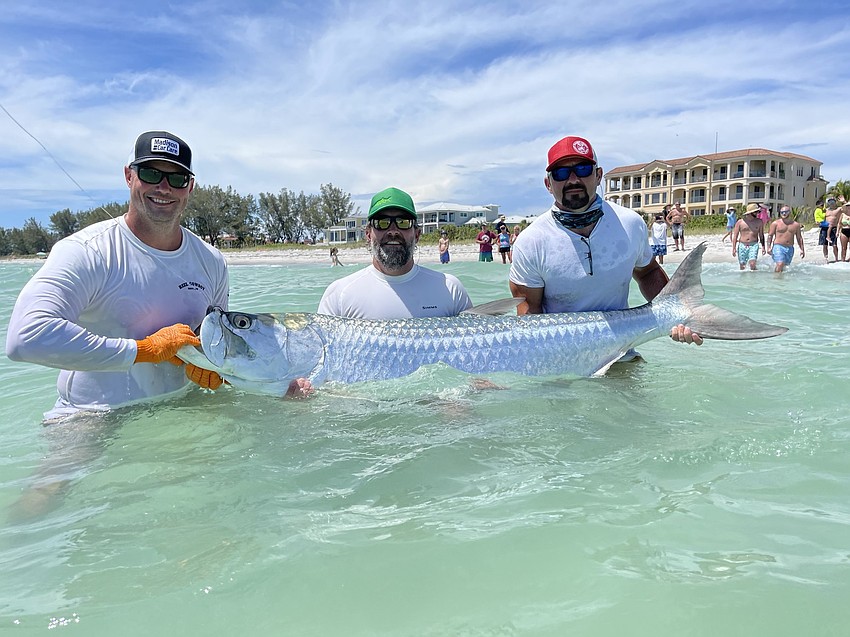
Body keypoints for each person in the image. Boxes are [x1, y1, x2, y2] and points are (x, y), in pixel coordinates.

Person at [5, 130, 229, 421]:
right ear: (128, 176)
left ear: (190, 187)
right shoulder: (85, 251)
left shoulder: (212, 261)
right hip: (89, 416)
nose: (164, 187)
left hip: (183, 408)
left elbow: (222, 341)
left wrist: (215, 366)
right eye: (151, 173)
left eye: (177, 178)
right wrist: (144, 350)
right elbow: (26, 337)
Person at [508, 134, 701, 349]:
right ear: (548, 184)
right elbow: (528, 312)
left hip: (622, 352)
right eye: (561, 173)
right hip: (559, 356)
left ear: (599, 175)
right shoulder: (530, 241)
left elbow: (648, 272)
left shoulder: (630, 223)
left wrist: (677, 315)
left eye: (582, 169)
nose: (573, 180)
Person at [319, 187, 472, 318]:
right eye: (382, 222)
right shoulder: (339, 295)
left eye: (403, 222)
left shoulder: (451, 289)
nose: (393, 231)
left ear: (417, 234)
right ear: (368, 234)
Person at [766, 206, 805, 272]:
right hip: (778, 246)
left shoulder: (796, 225)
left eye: (785, 212)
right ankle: (776, 280)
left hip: (790, 248)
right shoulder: (775, 223)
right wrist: (768, 247)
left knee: (785, 267)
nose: (784, 214)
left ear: (789, 212)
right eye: (782, 212)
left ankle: (781, 280)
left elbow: (799, 238)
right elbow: (770, 235)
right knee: (780, 264)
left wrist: (802, 249)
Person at [731, 203, 766, 270]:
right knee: (742, 266)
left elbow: (761, 235)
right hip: (742, 245)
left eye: (758, 212)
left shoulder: (759, 222)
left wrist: (763, 247)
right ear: (750, 213)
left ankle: (754, 278)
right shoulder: (740, 222)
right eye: (756, 212)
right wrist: (734, 248)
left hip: (754, 245)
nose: (757, 213)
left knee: (752, 264)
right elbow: (735, 236)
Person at [822, 196, 843, 263]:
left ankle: (836, 258)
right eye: (830, 201)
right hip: (825, 228)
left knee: (834, 245)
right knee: (824, 244)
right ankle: (826, 258)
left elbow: (847, 208)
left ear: (835, 202)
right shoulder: (825, 210)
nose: (831, 203)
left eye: (833, 201)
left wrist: (843, 201)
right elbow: (819, 216)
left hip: (834, 228)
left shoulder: (838, 209)